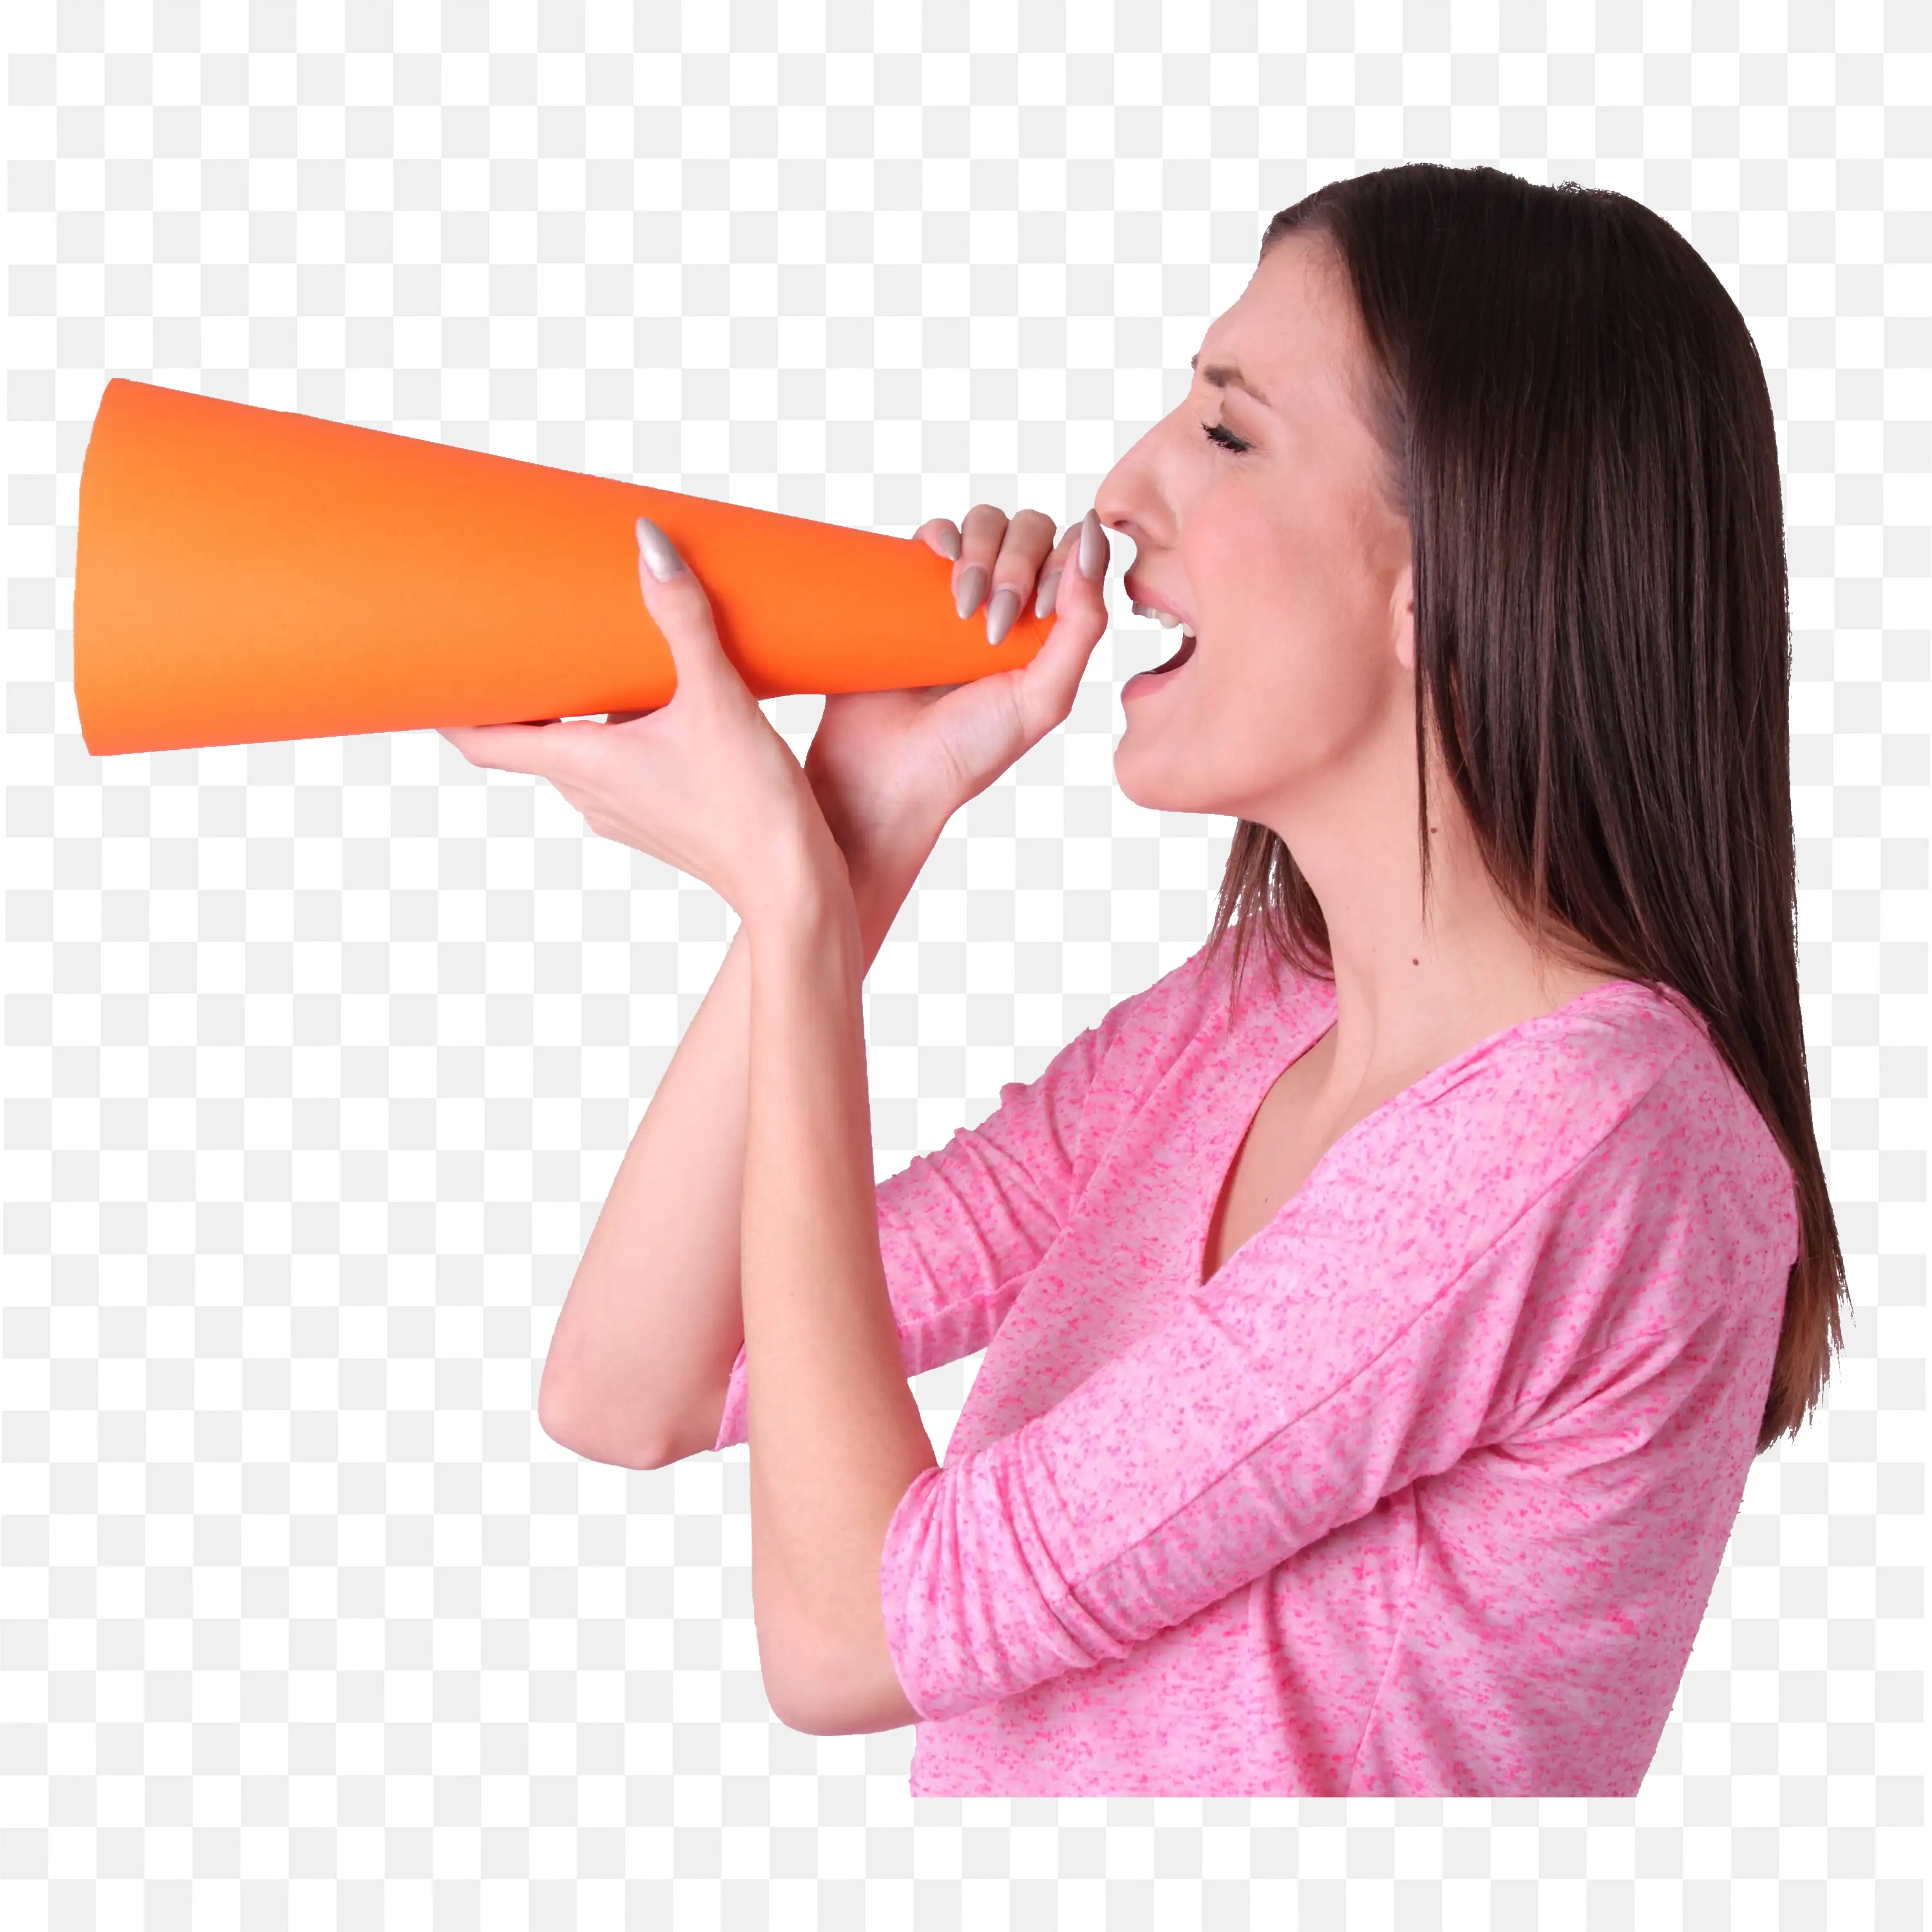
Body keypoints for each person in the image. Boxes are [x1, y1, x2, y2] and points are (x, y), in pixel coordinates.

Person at [530, 162, 1844, 1797]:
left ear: (1447, 561)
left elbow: (851, 1638)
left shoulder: (1588, 1136)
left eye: (1225, 432)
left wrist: (793, 910)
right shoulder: (1242, 1023)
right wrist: (858, 836)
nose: (1121, 494)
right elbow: (635, 1379)